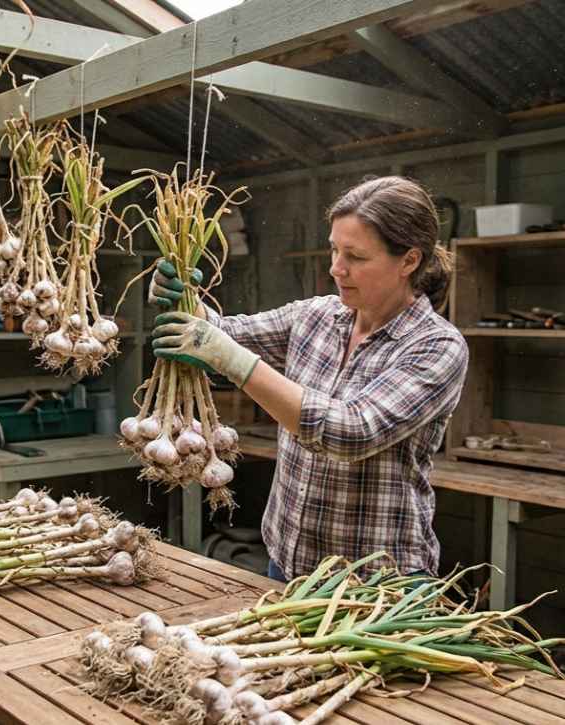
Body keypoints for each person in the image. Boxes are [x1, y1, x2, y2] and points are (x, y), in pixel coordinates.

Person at [149, 176, 468, 583]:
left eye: (355, 256)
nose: (337, 268)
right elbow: (224, 332)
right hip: (288, 563)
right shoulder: (317, 316)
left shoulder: (437, 346)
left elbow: (352, 431)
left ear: (408, 260)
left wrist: (230, 359)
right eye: (335, 249)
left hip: (374, 582)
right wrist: (182, 302)